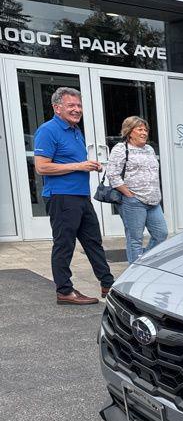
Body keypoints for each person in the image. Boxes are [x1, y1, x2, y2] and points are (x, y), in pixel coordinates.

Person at [33, 86, 114, 305]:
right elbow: (42, 167)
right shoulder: (48, 130)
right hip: (61, 196)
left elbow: (71, 164)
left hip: (80, 196)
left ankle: (108, 284)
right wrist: (79, 165)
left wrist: (89, 166)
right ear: (57, 107)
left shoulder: (76, 130)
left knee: (93, 242)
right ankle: (64, 291)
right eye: (71, 105)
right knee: (64, 244)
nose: (77, 109)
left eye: (79, 105)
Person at [106, 116, 167, 263]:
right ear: (129, 132)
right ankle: (135, 272)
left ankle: (142, 261)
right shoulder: (121, 149)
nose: (144, 133)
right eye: (139, 129)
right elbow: (112, 174)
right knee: (135, 239)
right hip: (133, 201)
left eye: (145, 130)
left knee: (161, 234)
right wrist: (129, 194)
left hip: (153, 201)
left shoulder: (149, 149)